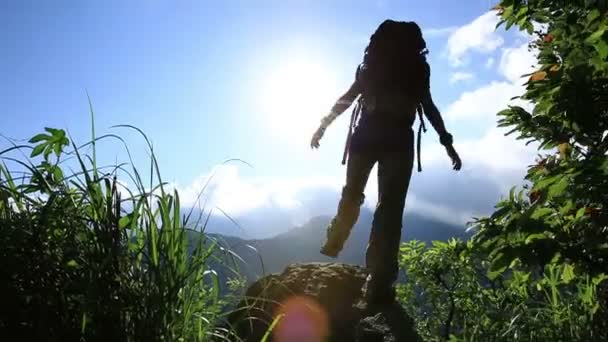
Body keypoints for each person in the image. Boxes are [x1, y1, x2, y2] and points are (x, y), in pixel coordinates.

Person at [310, 20, 462, 306]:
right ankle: (379, 281)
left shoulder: (369, 65)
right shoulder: (418, 68)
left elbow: (347, 98)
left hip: (364, 136)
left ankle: (335, 240)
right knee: (389, 211)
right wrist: (447, 142)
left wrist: (323, 125)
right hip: (398, 140)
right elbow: (428, 106)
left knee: (351, 194)